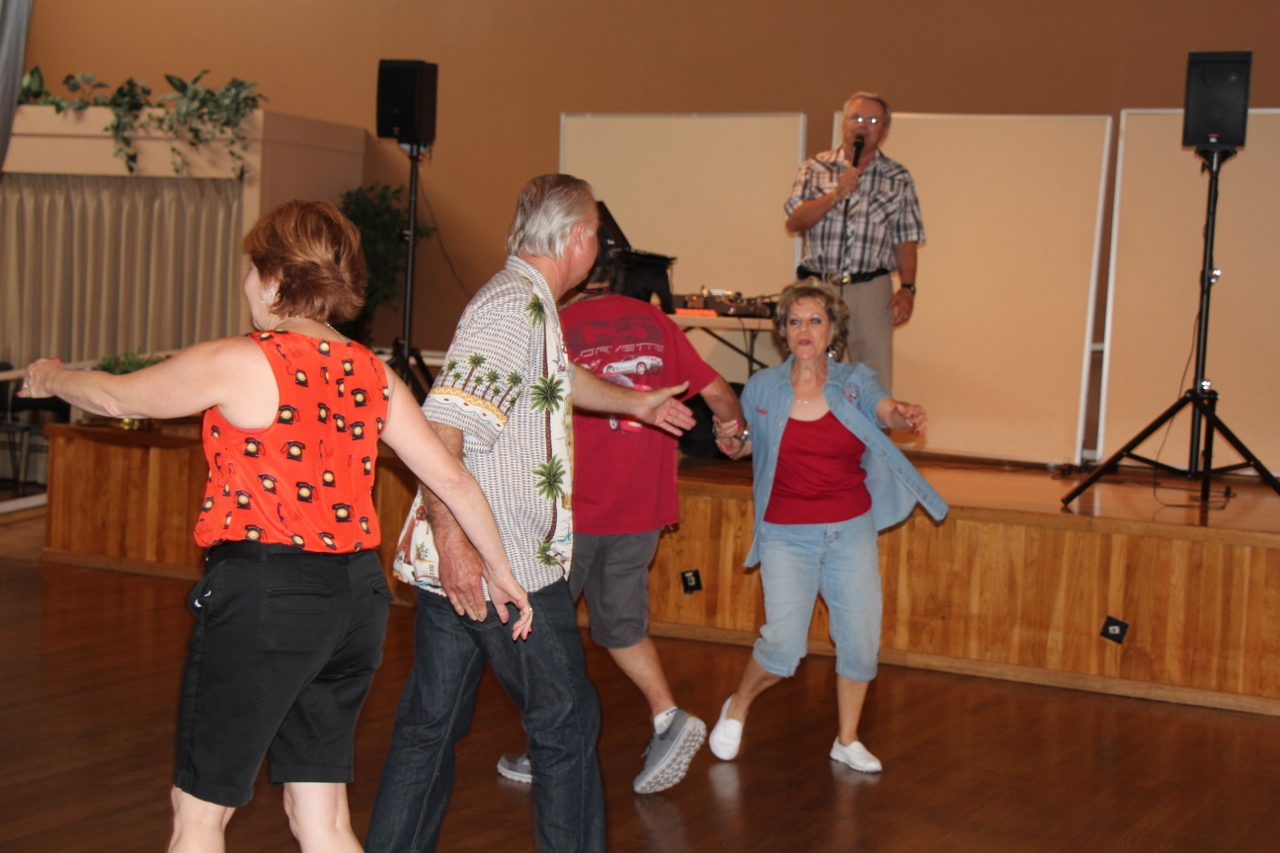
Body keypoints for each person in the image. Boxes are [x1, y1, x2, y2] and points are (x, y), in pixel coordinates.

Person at [19, 200, 532, 853]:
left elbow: (119, 396)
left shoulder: (243, 359)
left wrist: (51, 375)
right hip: (353, 602)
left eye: (249, 270)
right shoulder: (373, 374)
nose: (245, 285)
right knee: (321, 820)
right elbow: (453, 481)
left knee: (199, 813)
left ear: (272, 276)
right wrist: (505, 572)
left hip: (267, 601)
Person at [368, 175, 695, 853]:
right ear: (578, 238)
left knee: (430, 725)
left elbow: (559, 378)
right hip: (501, 563)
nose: (599, 246)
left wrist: (634, 403)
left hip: (470, 564)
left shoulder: (528, 305)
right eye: (597, 233)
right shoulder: (512, 309)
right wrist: (459, 549)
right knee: (566, 724)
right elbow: (442, 431)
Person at [494, 269, 746, 794]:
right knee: (622, 627)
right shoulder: (656, 322)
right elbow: (718, 391)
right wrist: (732, 432)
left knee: (544, 631)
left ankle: (551, 752)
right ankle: (667, 716)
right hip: (642, 510)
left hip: (574, 513)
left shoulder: (556, 323)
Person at [708, 280, 947, 774]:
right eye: (794, 321)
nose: (804, 329)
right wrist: (732, 443)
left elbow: (884, 409)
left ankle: (847, 738)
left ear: (833, 330)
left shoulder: (855, 381)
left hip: (849, 529)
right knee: (782, 647)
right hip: (786, 533)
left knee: (859, 642)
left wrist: (902, 414)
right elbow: (749, 442)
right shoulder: (763, 387)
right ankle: (738, 705)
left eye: (815, 320)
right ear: (783, 332)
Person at [784, 91, 924, 392]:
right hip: (817, 287)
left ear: (884, 132)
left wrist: (908, 288)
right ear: (843, 125)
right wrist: (836, 194)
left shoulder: (898, 177)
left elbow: (906, 237)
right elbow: (795, 222)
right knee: (811, 370)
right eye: (856, 118)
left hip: (872, 290)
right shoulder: (814, 168)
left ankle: (871, 439)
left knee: (872, 377)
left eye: (873, 121)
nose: (863, 126)